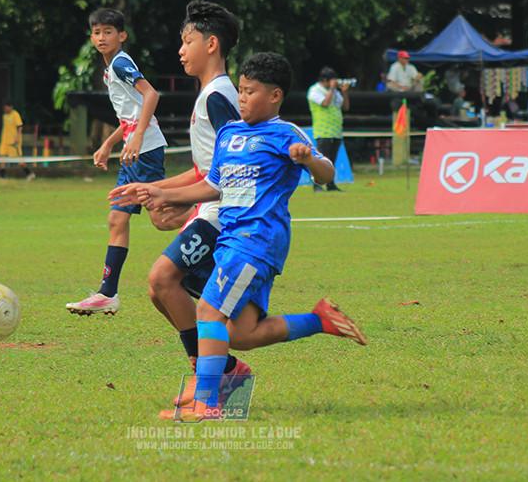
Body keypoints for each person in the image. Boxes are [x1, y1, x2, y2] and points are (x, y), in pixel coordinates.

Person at [115, 52, 367, 422]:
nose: (242, 98)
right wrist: (162, 194)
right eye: (241, 90)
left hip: (257, 240)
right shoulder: (230, 134)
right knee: (241, 333)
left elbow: (327, 173)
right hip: (231, 238)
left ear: (275, 96)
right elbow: (214, 186)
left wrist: (309, 160)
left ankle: (206, 404)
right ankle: (321, 320)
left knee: (207, 310)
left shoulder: (285, 134)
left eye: (250, 92)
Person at [110, 0, 252, 409]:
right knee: (164, 292)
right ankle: (223, 372)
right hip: (210, 210)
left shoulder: (218, 97)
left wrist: (169, 196)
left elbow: (233, 169)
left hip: (223, 216)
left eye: (186, 41)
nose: (180, 50)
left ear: (211, 45)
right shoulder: (210, 94)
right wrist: (152, 188)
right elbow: (204, 169)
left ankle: (210, 376)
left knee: (161, 279)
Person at [65, 7, 167, 316]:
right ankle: (108, 293)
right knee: (117, 218)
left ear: (121, 36)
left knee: (163, 217)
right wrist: (108, 145)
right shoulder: (112, 68)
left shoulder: (121, 63)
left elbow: (151, 96)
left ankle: (213, 221)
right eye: (96, 33)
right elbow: (130, 114)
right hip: (133, 152)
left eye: (107, 32)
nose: (101, 37)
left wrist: (135, 139)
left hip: (144, 151)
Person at [306, 66, 350, 192]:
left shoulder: (335, 92)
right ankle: (317, 185)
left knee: (332, 160)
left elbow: (345, 107)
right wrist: (331, 89)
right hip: (323, 130)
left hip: (335, 130)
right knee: (319, 160)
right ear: (325, 80)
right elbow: (324, 103)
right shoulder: (315, 90)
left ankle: (331, 185)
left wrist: (344, 92)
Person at [0, 99, 34, 181]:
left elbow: (20, 126)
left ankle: (29, 173)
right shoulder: (4, 116)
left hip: (13, 142)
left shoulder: (15, 114)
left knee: (18, 160)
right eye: (4, 109)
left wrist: (17, 137)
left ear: (11, 107)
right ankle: (2, 176)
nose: (5, 110)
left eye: (6, 108)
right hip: (4, 141)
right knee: (2, 157)